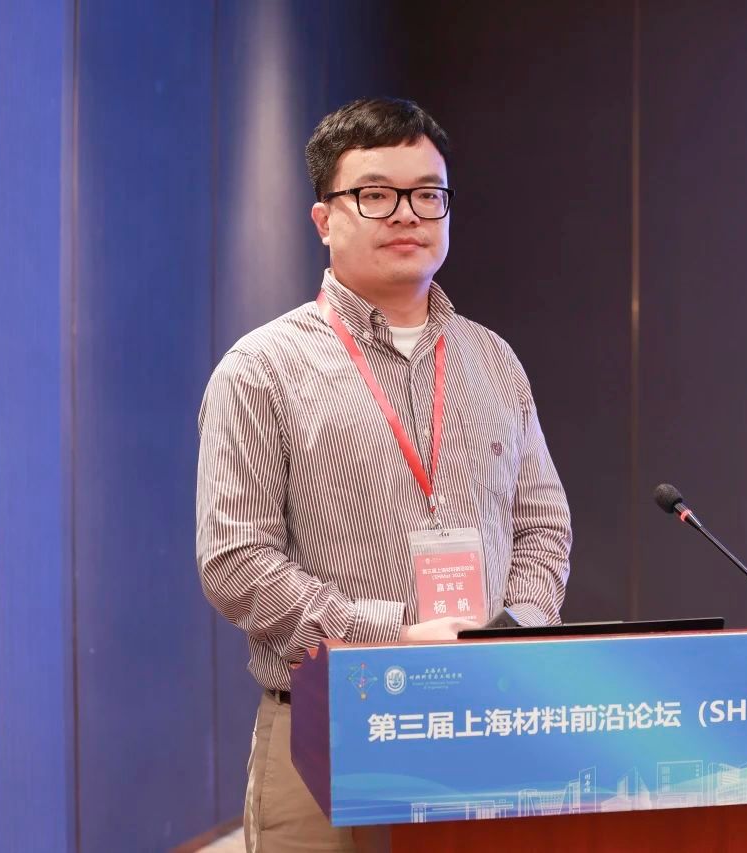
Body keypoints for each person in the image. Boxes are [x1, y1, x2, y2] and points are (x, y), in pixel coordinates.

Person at [196, 97, 572, 852]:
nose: (407, 214)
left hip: (485, 723)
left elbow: (542, 523)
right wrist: (393, 634)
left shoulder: (493, 360)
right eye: (375, 194)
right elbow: (237, 563)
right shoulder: (261, 368)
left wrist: (514, 632)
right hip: (327, 730)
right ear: (323, 219)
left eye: (428, 194)